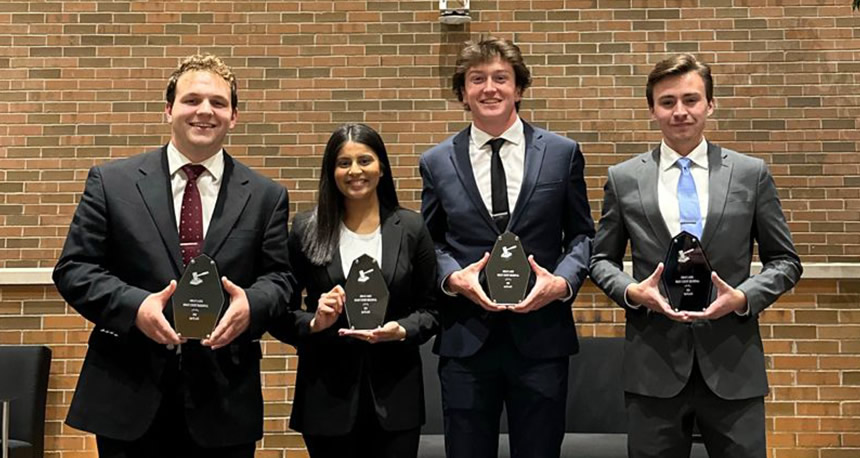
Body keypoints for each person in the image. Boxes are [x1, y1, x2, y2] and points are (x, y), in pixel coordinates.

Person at [52, 54, 294, 458]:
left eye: (218, 102)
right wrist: (135, 307)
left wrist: (252, 304)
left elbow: (281, 279)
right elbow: (75, 269)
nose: (205, 111)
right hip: (128, 394)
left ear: (234, 117)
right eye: (191, 100)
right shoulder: (112, 182)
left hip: (224, 401)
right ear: (168, 110)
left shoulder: (266, 196)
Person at [589, 54, 802, 458]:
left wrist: (743, 297)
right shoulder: (624, 178)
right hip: (653, 368)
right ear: (652, 109)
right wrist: (634, 292)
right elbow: (600, 260)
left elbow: (786, 262)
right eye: (667, 102)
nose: (680, 111)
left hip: (733, 366)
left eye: (691, 100)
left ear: (710, 104)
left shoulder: (749, 174)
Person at [418, 37, 595, 458]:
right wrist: (452, 278)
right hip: (466, 339)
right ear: (463, 93)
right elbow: (430, 241)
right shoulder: (436, 161)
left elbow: (583, 236)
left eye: (501, 78)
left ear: (519, 88)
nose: (489, 88)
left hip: (541, 338)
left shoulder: (562, 153)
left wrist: (562, 283)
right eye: (476, 79)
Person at [269, 123, 438, 457]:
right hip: (325, 397)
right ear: (331, 172)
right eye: (343, 163)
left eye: (365, 160)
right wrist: (314, 322)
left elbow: (432, 310)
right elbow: (279, 312)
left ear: (381, 168)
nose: (355, 171)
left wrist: (402, 329)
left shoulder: (411, 228)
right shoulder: (306, 229)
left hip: (396, 396)